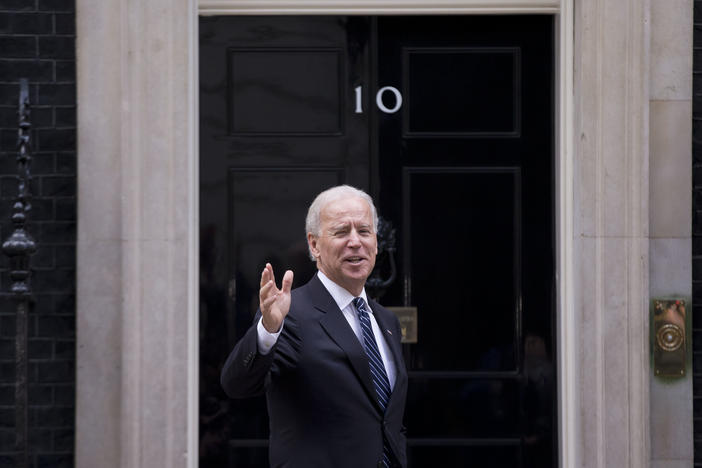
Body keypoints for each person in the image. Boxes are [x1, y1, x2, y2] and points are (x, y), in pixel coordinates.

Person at [220, 185, 408, 468]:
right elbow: (236, 384)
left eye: (365, 231)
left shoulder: (386, 321)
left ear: (377, 243)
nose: (355, 242)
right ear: (314, 245)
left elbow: (387, 421)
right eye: (341, 232)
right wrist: (267, 331)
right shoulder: (289, 314)